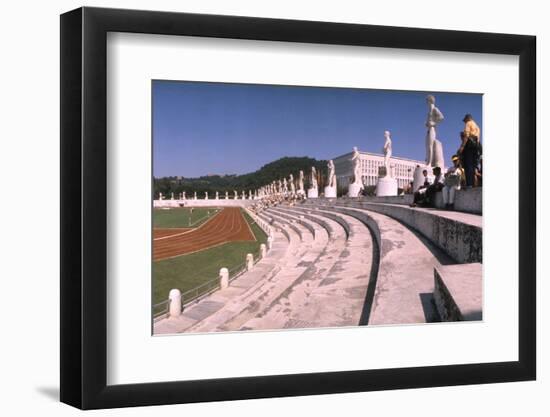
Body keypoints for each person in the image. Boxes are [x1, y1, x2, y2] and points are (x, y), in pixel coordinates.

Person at [458, 114, 482, 187]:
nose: (465, 122)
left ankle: (469, 184)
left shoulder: (468, 123)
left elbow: (466, 136)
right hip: (476, 146)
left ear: (467, 119)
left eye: (465, 120)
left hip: (469, 145)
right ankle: (472, 183)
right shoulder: (477, 126)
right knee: (472, 165)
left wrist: (461, 148)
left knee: (468, 165)